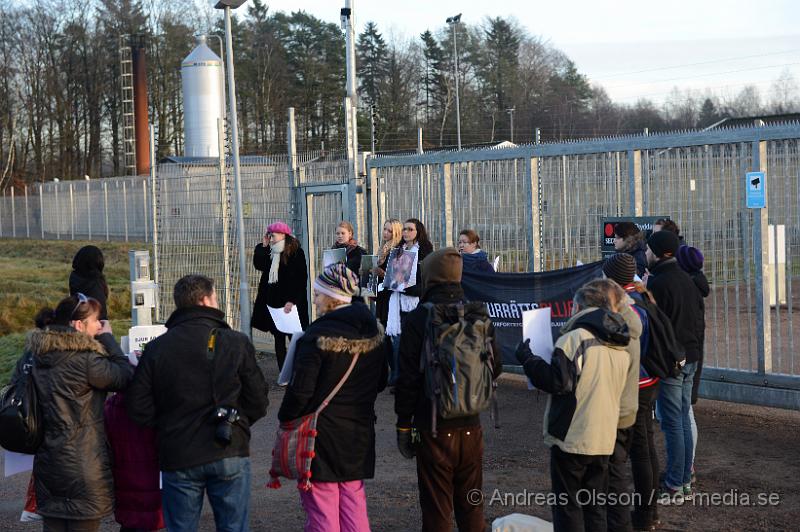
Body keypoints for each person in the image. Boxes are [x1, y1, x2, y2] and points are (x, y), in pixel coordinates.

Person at [125, 275, 269, 532]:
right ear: (205, 300)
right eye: (215, 297)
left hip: (178, 451)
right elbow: (258, 397)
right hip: (228, 447)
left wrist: (167, 426)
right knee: (234, 526)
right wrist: (239, 422)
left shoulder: (157, 348)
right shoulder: (235, 341)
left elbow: (137, 406)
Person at [395, 247, 502, 532]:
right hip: (472, 425)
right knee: (471, 504)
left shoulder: (420, 319)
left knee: (437, 507)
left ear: (429, 276)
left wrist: (404, 426)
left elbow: (407, 380)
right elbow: (497, 366)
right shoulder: (478, 315)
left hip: (433, 427)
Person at [277, 263, 390, 532]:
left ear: (331, 297)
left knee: (322, 504)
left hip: (321, 435)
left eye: (317, 294)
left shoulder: (316, 336)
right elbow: (382, 380)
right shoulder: (375, 331)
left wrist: (286, 418)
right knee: (353, 500)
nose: (314, 300)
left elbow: (301, 391)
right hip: (359, 431)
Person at [515, 279, 633, 532]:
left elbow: (558, 383)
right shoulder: (621, 345)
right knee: (594, 506)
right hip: (603, 438)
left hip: (573, 435)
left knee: (568, 506)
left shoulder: (575, 338)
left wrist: (528, 359)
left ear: (581, 306)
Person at [24, 293, 134, 532]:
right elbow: (125, 376)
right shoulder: (86, 361)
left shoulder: (36, 355)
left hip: (48, 462)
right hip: (84, 464)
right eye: (96, 320)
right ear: (78, 325)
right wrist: (108, 339)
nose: (99, 325)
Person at [645, 231, 704, 502]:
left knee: (673, 423)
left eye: (647, 250)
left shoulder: (659, 282)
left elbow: (657, 324)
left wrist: (646, 294)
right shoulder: (685, 278)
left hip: (672, 362)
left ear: (657, 253)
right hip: (690, 357)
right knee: (682, 418)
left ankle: (674, 485)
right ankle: (684, 480)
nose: (645, 254)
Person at [604, 253, 660, 531]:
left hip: (633, 384)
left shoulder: (627, 307)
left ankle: (641, 514)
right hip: (649, 381)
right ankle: (649, 511)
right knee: (645, 447)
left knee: (631, 452)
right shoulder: (643, 298)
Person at [105, 366, 165, 532]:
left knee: (130, 524)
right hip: (153, 482)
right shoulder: (159, 406)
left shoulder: (111, 406)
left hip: (123, 482)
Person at [252, 221, 309, 371]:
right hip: (273, 302)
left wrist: (292, 301)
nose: (270, 237)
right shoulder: (270, 251)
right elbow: (259, 265)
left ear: (283, 235)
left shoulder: (296, 252)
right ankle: (284, 372)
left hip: (291, 303)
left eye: (273, 235)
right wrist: (263, 246)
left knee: (295, 338)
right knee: (278, 338)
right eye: (269, 234)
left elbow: (301, 279)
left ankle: (299, 370)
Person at [385, 218, 434, 388]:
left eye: (410, 229)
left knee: (413, 344)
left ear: (418, 231)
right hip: (397, 302)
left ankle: (413, 379)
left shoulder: (425, 253)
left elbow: (426, 281)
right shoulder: (398, 251)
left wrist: (409, 289)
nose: (406, 232)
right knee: (397, 343)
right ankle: (399, 378)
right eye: (404, 229)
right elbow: (393, 276)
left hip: (415, 303)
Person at [676, 244, 710, 485]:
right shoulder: (696, 285)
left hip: (683, 356)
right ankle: (687, 467)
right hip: (693, 354)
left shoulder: (686, 288)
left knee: (682, 415)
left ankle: (684, 471)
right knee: (686, 412)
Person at [374, 219, 403, 328]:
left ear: (396, 233)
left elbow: (399, 279)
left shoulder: (398, 251)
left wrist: (383, 274)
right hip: (381, 296)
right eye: (385, 229)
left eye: (390, 231)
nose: (385, 233)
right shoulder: (383, 249)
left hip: (391, 298)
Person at [69, 245, 110, 320]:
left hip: (78, 321)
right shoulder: (95, 282)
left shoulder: (75, 277)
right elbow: (101, 313)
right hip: (95, 323)